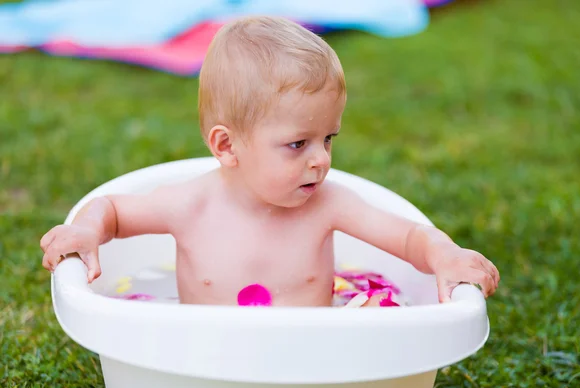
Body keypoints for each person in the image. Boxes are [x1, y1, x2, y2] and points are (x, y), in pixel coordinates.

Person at [40, 16, 499, 307]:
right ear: (227, 147)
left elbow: (409, 236)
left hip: (306, 360)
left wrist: (445, 255)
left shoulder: (330, 204)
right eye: (298, 144)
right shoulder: (189, 205)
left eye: (328, 138)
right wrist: (85, 231)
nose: (321, 160)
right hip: (205, 358)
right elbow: (113, 210)